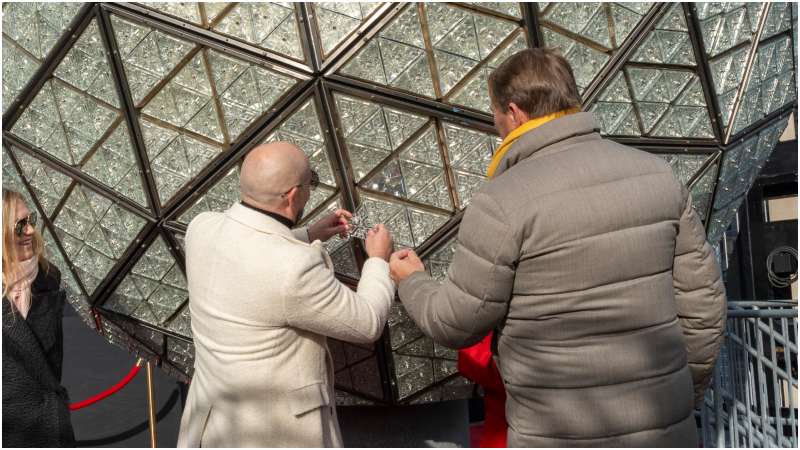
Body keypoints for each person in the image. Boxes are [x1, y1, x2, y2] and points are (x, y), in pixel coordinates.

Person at [389, 48, 727, 447]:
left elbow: (457, 322)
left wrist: (412, 280)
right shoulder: (659, 177)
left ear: (514, 113)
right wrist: (680, 398)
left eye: (494, 114)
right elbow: (703, 310)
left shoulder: (502, 201)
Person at [177, 142, 396, 447]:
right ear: (293, 195)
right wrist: (377, 260)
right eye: (310, 184)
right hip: (276, 436)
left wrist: (310, 234)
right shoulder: (294, 268)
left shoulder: (201, 227)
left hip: (215, 427)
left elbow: (250, 250)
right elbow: (367, 322)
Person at [2, 188, 76, 447]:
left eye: (30, 220)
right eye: (19, 226)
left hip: (50, 429)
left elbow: (50, 370)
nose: (31, 231)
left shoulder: (48, 277)